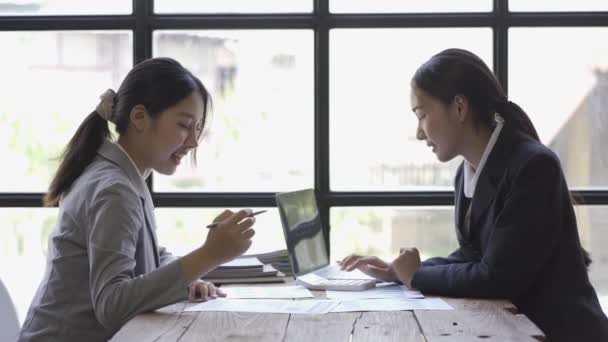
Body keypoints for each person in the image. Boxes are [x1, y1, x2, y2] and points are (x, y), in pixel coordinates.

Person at [339, 48, 608, 341]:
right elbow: (474, 257)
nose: (419, 133)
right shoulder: (467, 171)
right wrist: (398, 270)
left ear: (459, 108)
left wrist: (416, 275)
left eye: (421, 115)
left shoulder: (533, 166)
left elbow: (496, 277)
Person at [18, 57, 257, 341]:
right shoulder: (113, 189)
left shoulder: (121, 176)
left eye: (197, 129)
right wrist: (208, 255)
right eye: (184, 125)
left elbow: (143, 255)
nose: (193, 142)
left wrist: (192, 272)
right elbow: (112, 305)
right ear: (139, 117)